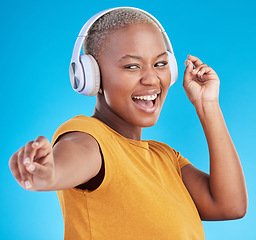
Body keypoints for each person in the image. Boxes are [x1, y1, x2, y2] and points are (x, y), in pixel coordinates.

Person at [9, 7, 247, 240]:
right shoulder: (89, 137)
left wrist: (208, 106)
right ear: (92, 77)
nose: (152, 78)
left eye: (160, 64)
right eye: (132, 66)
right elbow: (73, 158)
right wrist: (49, 173)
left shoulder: (166, 158)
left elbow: (229, 206)